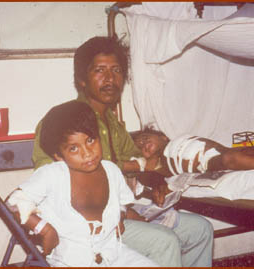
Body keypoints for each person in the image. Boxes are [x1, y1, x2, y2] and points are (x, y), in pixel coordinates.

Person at [32, 36, 213, 267]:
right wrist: (121, 211)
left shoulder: (113, 124)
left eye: (116, 70)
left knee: (201, 229)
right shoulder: (63, 121)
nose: (110, 78)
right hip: (84, 227)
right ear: (82, 80)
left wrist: (155, 179)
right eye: (100, 70)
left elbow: (139, 163)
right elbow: (52, 182)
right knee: (164, 241)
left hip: (122, 210)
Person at [6, 101, 158, 267]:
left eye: (90, 140)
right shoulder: (54, 174)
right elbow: (13, 202)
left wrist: (118, 218)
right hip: (71, 261)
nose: (87, 153)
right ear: (58, 155)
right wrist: (44, 228)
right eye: (73, 148)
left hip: (112, 253)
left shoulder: (111, 171)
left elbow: (121, 202)